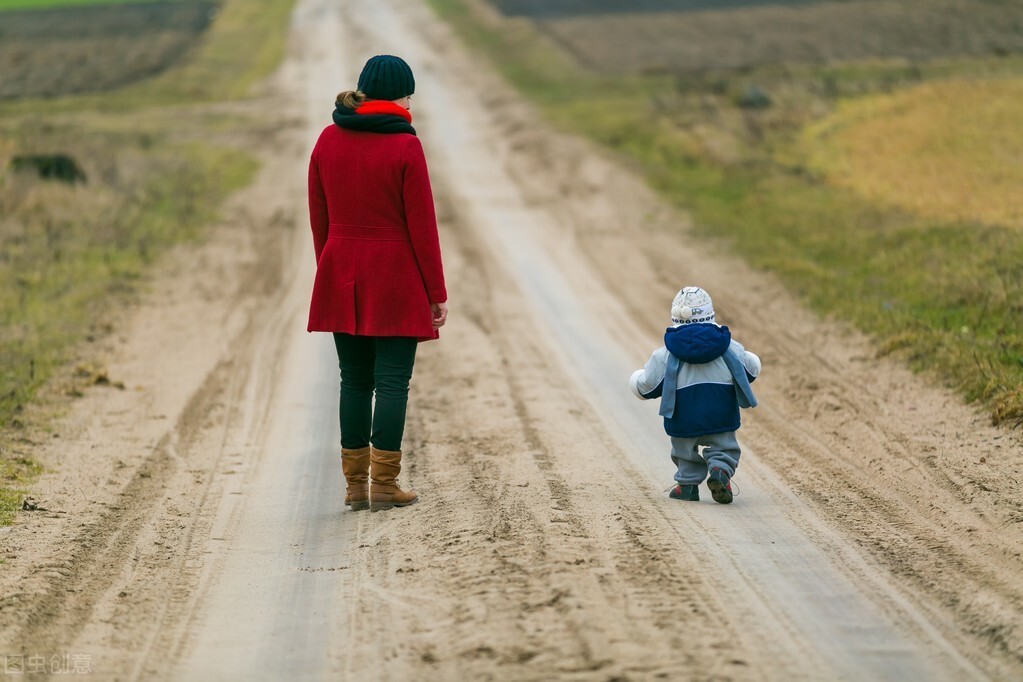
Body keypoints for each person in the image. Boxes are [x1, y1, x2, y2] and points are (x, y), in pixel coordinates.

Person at [307, 55, 448, 512]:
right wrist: (435, 294)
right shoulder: (407, 147)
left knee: (353, 380)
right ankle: (385, 485)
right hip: (396, 277)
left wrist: (330, 268)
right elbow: (423, 228)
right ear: (402, 96)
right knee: (391, 384)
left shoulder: (327, 139)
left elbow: (319, 218)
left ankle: (354, 487)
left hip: (341, 268)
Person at [629, 287, 760, 504]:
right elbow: (749, 370)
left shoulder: (664, 355)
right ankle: (720, 469)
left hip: (683, 417)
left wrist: (636, 379)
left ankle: (687, 486)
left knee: (684, 449)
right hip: (721, 414)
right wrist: (754, 359)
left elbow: (646, 387)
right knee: (724, 446)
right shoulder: (729, 347)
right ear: (710, 314)